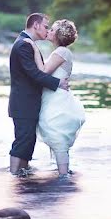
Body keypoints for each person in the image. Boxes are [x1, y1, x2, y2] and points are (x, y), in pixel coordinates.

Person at [8, 13, 69, 176]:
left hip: (27, 103)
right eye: (45, 26)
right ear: (36, 25)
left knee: (28, 141)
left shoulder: (26, 43)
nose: (47, 30)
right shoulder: (23, 45)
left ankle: (21, 174)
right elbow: (34, 74)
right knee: (22, 141)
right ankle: (14, 175)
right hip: (23, 103)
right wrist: (58, 83)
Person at [24, 19, 86, 177]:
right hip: (53, 97)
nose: (49, 31)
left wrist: (34, 49)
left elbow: (43, 71)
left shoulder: (62, 52)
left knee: (57, 135)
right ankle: (64, 175)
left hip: (57, 100)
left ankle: (63, 176)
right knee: (57, 136)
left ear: (58, 35)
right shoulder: (60, 52)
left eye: (52, 30)